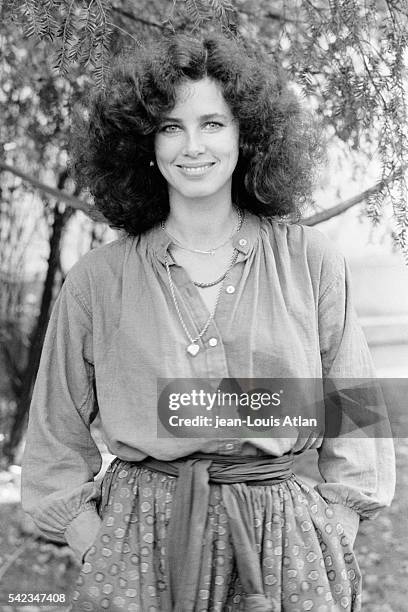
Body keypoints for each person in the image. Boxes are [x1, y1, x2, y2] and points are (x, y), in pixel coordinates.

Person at [21, 32, 395, 612]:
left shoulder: (309, 260)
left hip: (285, 543)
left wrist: (335, 520)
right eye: (171, 127)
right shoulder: (97, 279)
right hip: (140, 545)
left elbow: (355, 407)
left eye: (213, 124)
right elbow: (54, 435)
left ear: (248, 135)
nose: (192, 146)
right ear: (143, 144)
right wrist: (99, 545)